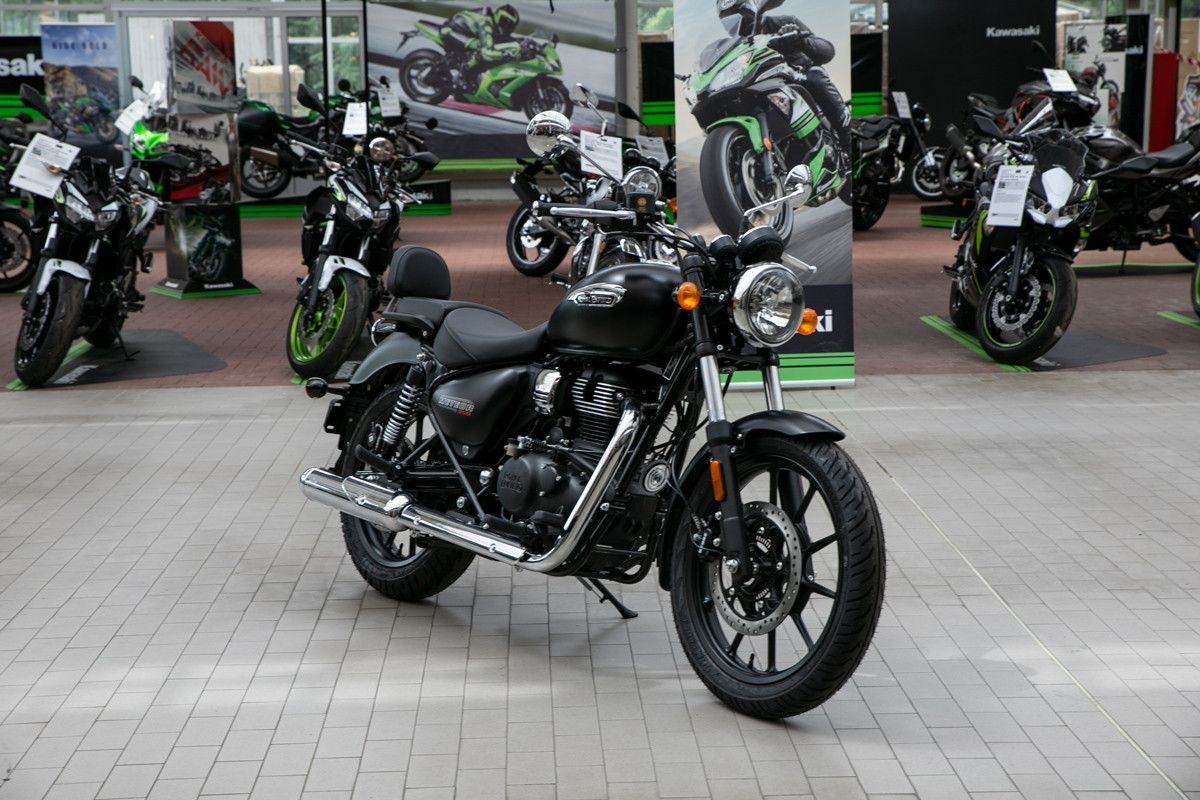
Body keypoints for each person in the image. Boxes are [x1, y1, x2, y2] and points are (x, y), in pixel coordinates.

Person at [718, 1, 850, 155]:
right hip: (762, 88)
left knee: (815, 77)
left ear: (752, 9)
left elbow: (826, 52)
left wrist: (801, 41)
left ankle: (846, 135)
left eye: (740, 14)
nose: (736, 21)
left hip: (797, 78)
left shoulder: (785, 22)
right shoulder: (732, 48)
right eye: (728, 18)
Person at [438, 5, 521, 87]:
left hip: (466, 33)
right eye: (504, 21)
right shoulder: (485, 24)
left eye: (510, 25)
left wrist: (520, 42)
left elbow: (505, 38)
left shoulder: (493, 23)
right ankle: (461, 75)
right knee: (481, 49)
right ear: (497, 17)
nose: (506, 26)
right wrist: (504, 55)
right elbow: (486, 52)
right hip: (450, 31)